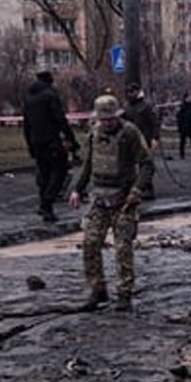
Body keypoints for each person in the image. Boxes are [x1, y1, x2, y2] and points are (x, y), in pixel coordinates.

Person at [68, 94, 154, 312]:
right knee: (90, 242)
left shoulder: (129, 133)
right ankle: (97, 289)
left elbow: (147, 165)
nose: (106, 123)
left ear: (117, 116)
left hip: (124, 198)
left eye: (110, 119)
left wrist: (137, 190)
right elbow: (89, 163)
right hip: (99, 197)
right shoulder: (94, 134)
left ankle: (124, 292)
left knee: (123, 247)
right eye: (103, 120)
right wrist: (77, 189)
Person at [22, 70, 78, 223]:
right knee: (60, 171)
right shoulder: (50, 96)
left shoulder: (29, 98)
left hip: (36, 142)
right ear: (50, 81)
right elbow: (60, 119)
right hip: (51, 141)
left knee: (44, 174)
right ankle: (47, 204)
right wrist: (71, 140)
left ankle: (45, 206)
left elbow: (26, 125)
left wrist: (30, 145)